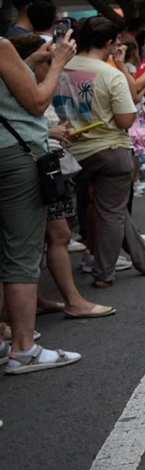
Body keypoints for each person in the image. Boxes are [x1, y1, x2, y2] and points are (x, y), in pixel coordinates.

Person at [55, 18, 145, 288]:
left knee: (109, 208)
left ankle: (144, 258)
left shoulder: (61, 67)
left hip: (72, 150)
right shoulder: (110, 74)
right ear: (111, 43)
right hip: (110, 148)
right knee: (112, 211)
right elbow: (125, 120)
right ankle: (104, 273)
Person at [1, 30, 84, 373]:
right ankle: (23, 348)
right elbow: (37, 101)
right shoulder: (1, 46)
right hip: (13, 156)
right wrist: (58, 63)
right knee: (21, 253)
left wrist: (29, 62)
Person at [19, 42, 114, 319]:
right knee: (54, 237)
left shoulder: (33, 87)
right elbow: (31, 119)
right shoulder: (25, 88)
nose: (55, 68)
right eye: (47, 62)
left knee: (45, 239)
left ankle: (39, 299)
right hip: (36, 166)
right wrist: (52, 131)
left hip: (44, 163)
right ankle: (71, 301)